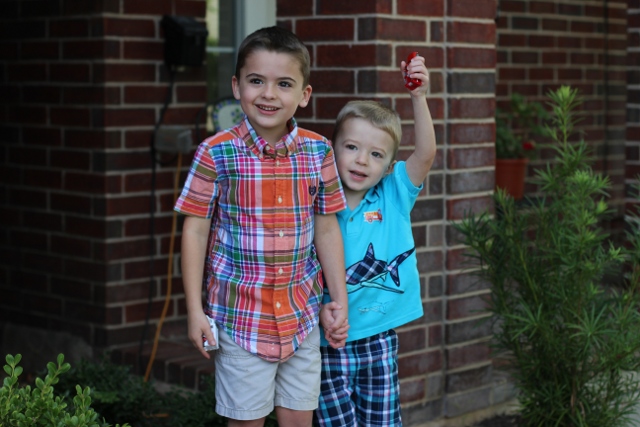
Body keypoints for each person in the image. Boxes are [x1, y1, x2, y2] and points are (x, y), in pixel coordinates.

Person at [175, 26, 349, 427]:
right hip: (240, 319)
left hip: (301, 316)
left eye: (284, 83)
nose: (269, 94)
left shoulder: (318, 151)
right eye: (257, 81)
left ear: (304, 95)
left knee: (297, 420)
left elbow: (326, 228)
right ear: (237, 87)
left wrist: (336, 301)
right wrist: (194, 310)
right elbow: (195, 230)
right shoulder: (215, 153)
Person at [315, 54, 436, 426]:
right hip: (326, 343)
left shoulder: (393, 195)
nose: (362, 160)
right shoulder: (316, 201)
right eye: (351, 147)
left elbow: (426, 153)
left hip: (378, 339)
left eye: (376, 154)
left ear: (389, 165)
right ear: (332, 147)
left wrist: (419, 97)